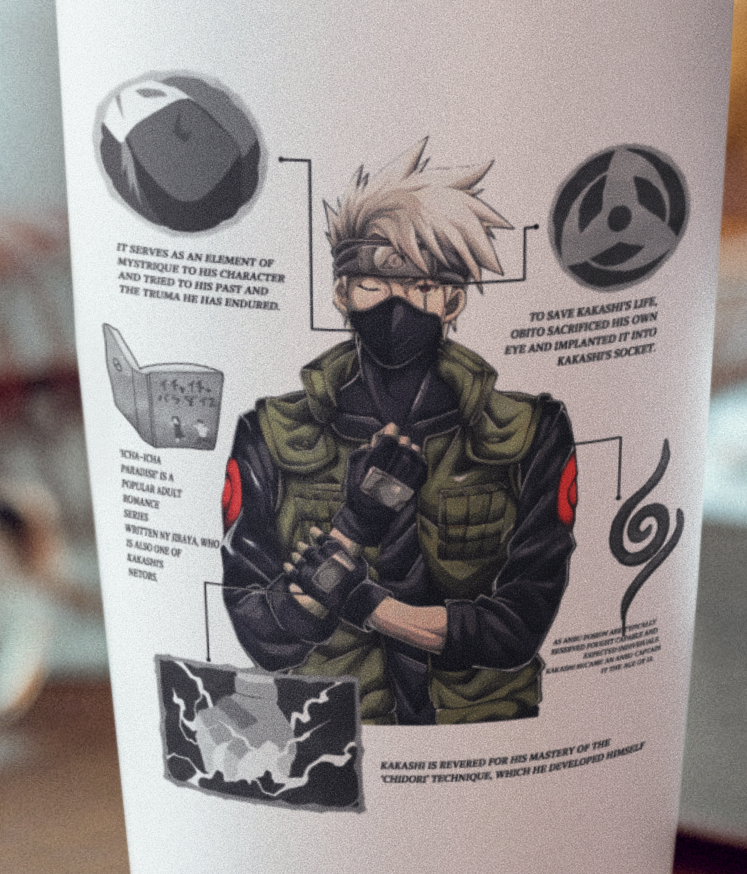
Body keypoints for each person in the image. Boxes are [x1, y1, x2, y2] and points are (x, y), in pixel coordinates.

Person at [220, 140, 578, 723]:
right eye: (374, 281)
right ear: (342, 293)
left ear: (453, 299)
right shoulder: (269, 434)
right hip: (330, 730)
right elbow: (261, 634)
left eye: (423, 285)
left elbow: (520, 626)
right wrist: (354, 526)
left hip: (481, 737)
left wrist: (363, 601)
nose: (398, 303)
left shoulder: (530, 433)